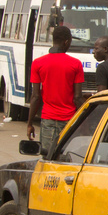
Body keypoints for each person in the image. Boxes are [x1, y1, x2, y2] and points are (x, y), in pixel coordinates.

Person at [27, 26, 85, 157]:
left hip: (48, 119)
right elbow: (77, 98)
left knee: (48, 156)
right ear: (66, 42)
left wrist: (30, 123)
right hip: (69, 120)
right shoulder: (75, 64)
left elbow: (36, 96)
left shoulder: (38, 63)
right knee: (67, 156)